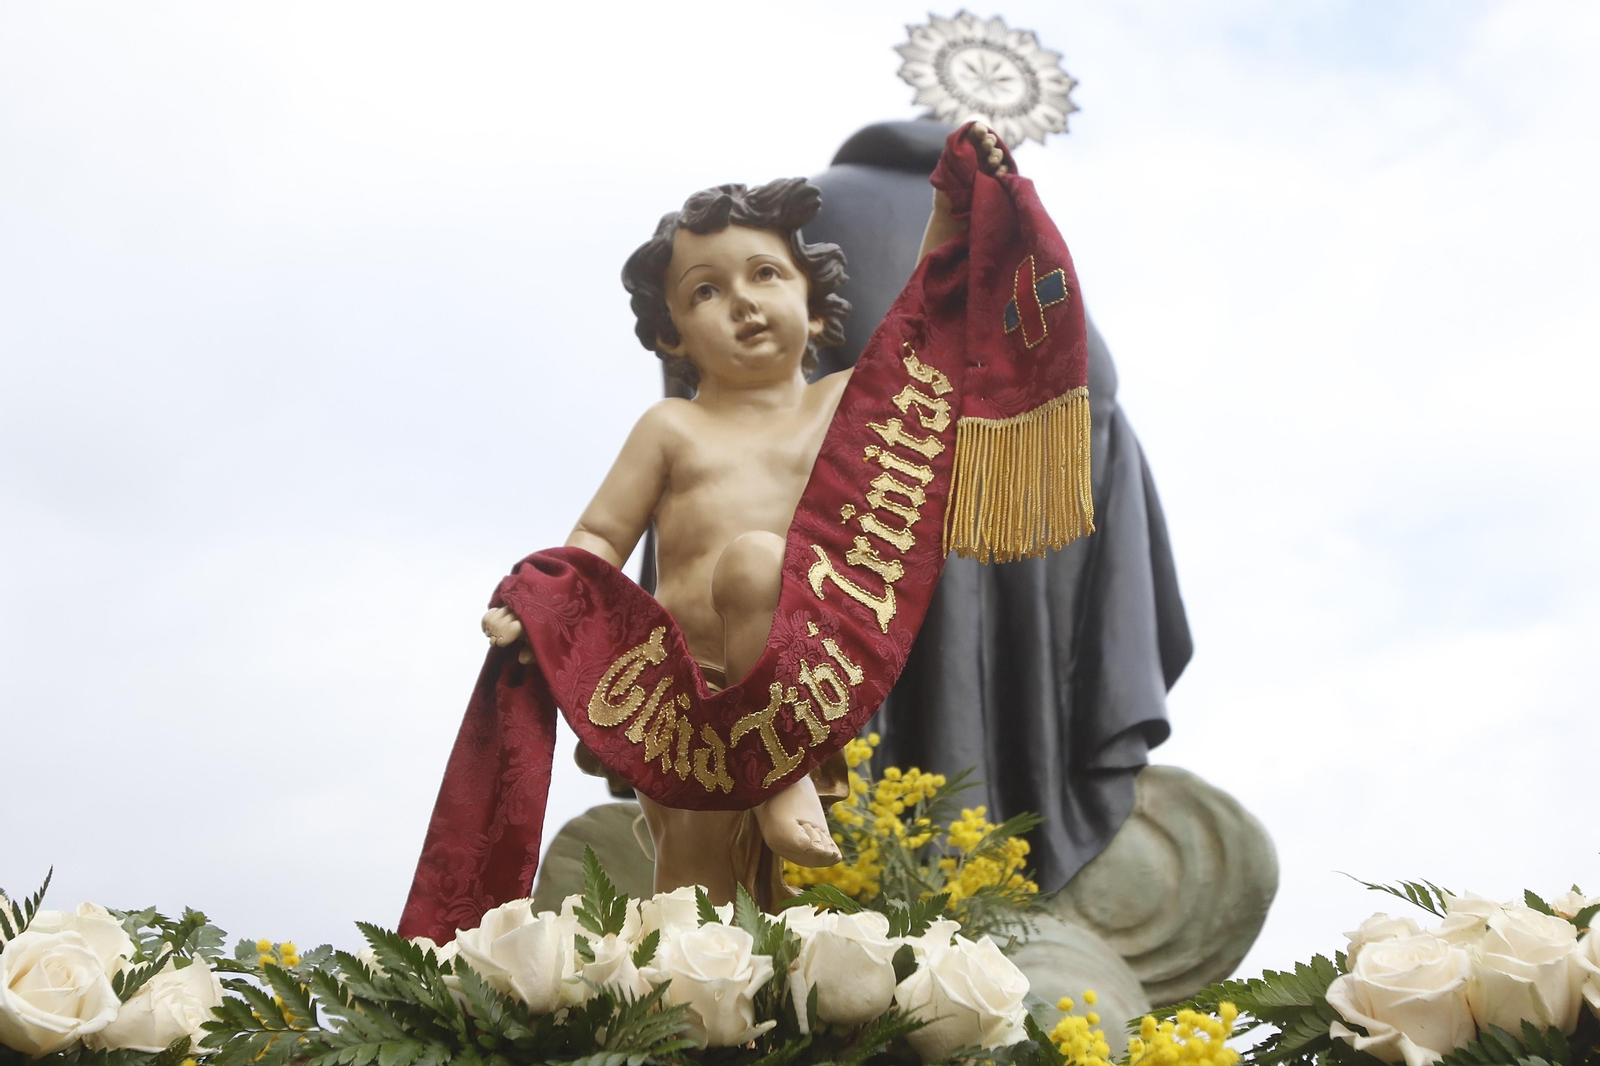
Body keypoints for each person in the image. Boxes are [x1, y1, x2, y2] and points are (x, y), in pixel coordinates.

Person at [476, 124, 1014, 907]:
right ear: (671, 334)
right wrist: (542, 600)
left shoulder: (843, 405)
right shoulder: (673, 429)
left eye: (765, 274)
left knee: (758, 561)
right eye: (705, 291)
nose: (743, 303)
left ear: (814, 294)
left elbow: (927, 328)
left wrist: (955, 207)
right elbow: (599, 537)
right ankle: (708, 1015)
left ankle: (782, 772)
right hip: (681, 697)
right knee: (695, 895)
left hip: (799, 684)